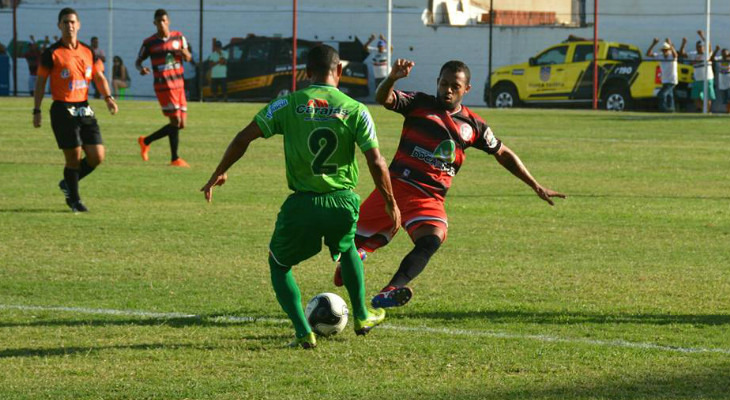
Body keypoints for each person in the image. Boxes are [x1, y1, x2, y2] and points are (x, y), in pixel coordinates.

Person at [201, 44, 401, 349]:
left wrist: (220, 171)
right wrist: (390, 202)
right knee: (347, 247)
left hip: (303, 204)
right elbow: (376, 161)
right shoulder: (355, 109)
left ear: (306, 73)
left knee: (279, 265)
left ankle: (303, 332)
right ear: (340, 71)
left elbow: (244, 136)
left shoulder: (287, 104)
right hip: (342, 201)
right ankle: (362, 315)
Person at [333, 58, 565, 308]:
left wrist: (535, 185)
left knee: (432, 239)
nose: (448, 89)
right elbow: (383, 98)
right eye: (444, 83)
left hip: (429, 199)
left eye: (455, 85)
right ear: (437, 83)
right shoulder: (419, 103)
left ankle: (390, 290)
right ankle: (358, 253)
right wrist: (392, 79)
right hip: (395, 187)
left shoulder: (473, 125)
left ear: (467, 89)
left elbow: (503, 153)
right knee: (346, 248)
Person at [32, 8, 118, 212]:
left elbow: (99, 77)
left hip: (83, 107)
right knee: (73, 156)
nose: (69, 25)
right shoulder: (52, 53)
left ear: (78, 25)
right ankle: (75, 201)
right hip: (62, 107)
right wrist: (36, 110)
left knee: (97, 156)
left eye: (72, 22)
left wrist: (108, 98)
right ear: (59, 26)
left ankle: (68, 183)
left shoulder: (88, 51)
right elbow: (41, 82)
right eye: (65, 22)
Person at [136, 8, 192, 167]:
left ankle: (146, 141)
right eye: (158, 21)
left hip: (179, 85)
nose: (162, 24)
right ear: (154, 23)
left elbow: (188, 57)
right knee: (175, 120)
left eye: (164, 21)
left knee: (181, 124)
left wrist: (184, 53)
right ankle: (175, 159)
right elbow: (138, 61)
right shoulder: (149, 43)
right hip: (164, 86)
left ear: (168, 21)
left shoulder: (179, 37)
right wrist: (141, 68)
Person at [646, 38, 685, 112]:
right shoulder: (660, 56)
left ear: (669, 50)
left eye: (666, 50)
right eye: (663, 50)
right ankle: (672, 109)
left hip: (672, 80)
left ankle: (663, 109)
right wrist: (653, 44)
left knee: (661, 94)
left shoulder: (672, 56)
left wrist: (670, 45)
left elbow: (675, 55)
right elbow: (648, 54)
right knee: (670, 96)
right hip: (664, 80)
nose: (664, 51)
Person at [681, 30, 716, 112]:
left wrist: (702, 36)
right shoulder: (693, 54)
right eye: (698, 46)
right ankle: (701, 109)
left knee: (708, 97)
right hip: (697, 79)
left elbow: (709, 45)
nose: (699, 48)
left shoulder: (707, 54)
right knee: (695, 97)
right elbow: (683, 54)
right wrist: (683, 44)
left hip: (707, 78)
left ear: (704, 47)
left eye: (701, 46)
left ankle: (708, 111)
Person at [716, 48, 730, 114]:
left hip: (729, 80)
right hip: (722, 81)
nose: (724, 55)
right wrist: (716, 50)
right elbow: (712, 58)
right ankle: (727, 111)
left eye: (726, 54)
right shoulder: (719, 59)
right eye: (723, 54)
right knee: (725, 98)